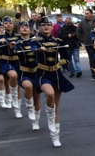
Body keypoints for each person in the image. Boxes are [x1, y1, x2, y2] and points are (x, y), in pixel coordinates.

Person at [32, 17, 75, 147]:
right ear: (39, 27)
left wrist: (58, 63)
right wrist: (39, 50)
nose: (46, 27)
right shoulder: (36, 42)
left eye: (48, 25)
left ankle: (55, 135)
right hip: (42, 74)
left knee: (56, 107)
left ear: (52, 27)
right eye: (43, 25)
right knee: (49, 94)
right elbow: (31, 54)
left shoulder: (58, 41)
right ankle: (48, 115)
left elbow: (66, 59)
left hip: (56, 74)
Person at [14, 20, 41, 130]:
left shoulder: (36, 41)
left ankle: (36, 121)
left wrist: (41, 49)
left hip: (36, 71)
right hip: (23, 72)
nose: (25, 28)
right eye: (22, 27)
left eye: (26, 27)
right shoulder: (17, 42)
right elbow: (15, 49)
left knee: (37, 97)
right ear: (19, 30)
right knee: (28, 86)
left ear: (30, 29)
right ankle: (29, 108)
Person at [0, 17, 21, 116]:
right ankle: (6, 99)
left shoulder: (18, 36)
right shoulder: (0, 36)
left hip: (17, 61)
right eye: (6, 23)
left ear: (13, 25)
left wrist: (16, 45)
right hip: (5, 61)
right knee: (11, 77)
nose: (8, 25)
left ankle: (16, 107)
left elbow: (23, 44)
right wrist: (0, 41)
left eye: (10, 23)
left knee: (16, 83)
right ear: (4, 25)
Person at [76, 9, 95, 79]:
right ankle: (94, 74)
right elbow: (78, 32)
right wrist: (83, 40)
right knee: (92, 59)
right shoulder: (82, 23)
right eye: (85, 14)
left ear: (91, 14)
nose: (86, 15)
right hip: (88, 43)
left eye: (87, 13)